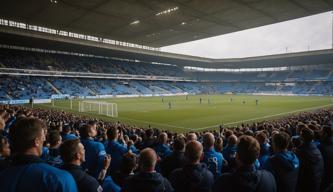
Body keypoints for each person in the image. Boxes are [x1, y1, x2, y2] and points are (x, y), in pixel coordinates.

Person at [0, 117, 77, 192]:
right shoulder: (60, 178)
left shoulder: (3, 175)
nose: (44, 139)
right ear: (36, 141)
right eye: (43, 136)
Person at [296, 127, 324, 192]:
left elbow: (300, 171)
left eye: (300, 134)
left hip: (308, 183)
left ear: (302, 137)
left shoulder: (301, 151)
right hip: (318, 180)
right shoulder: (316, 147)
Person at [319, 125, 333, 190]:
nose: (320, 132)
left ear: (326, 134)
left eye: (321, 131)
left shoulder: (322, 146)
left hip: (326, 174)